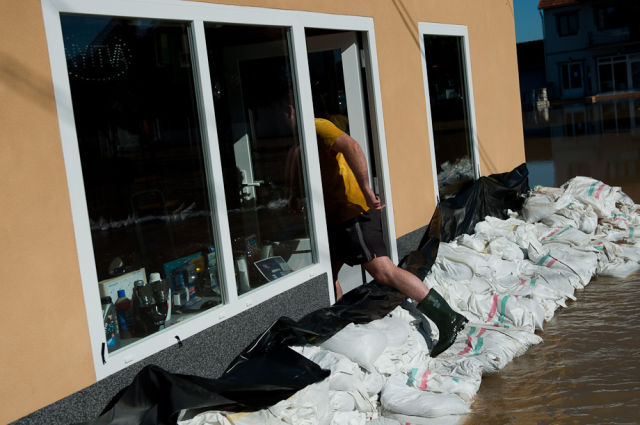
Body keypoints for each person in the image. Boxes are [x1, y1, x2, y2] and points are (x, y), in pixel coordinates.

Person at [284, 98, 468, 357]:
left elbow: (352, 146)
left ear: (291, 110)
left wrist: (367, 189)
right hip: (335, 217)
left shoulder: (317, 125)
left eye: (282, 115)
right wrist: (293, 193)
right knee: (328, 274)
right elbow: (296, 156)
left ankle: (448, 317)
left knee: (383, 272)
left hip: (353, 212)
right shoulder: (302, 139)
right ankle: (341, 330)